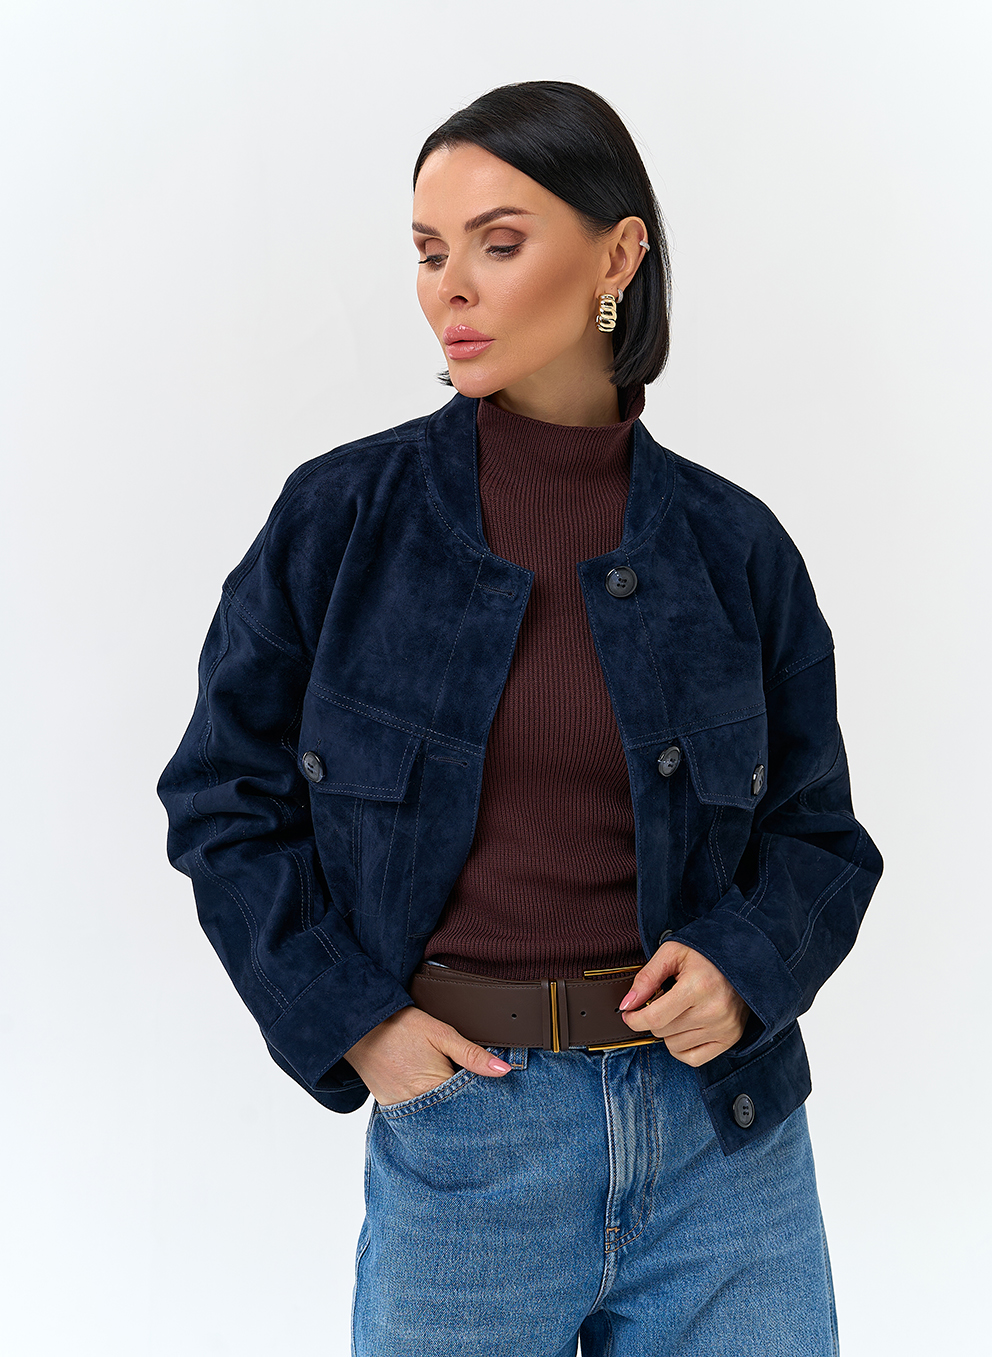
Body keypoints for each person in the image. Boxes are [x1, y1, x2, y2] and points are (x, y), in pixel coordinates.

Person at [158, 80, 882, 1356]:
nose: (451, 288)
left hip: (725, 1147)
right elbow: (222, 796)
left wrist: (742, 968)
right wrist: (360, 1027)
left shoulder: (733, 546)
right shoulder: (341, 523)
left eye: (497, 243)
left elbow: (818, 835)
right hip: (467, 1141)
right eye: (428, 251)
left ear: (616, 256)